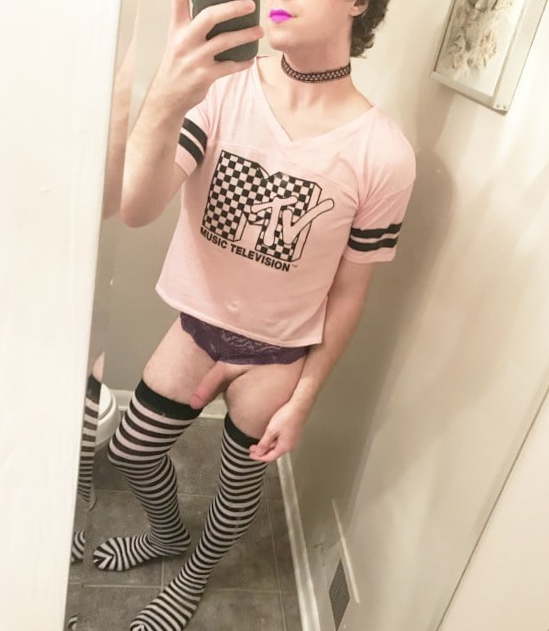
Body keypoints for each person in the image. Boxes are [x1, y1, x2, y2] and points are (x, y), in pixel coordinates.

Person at [92, 0, 416, 629]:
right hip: (197, 328)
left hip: (278, 356)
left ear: (358, 4)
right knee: (131, 449)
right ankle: (166, 534)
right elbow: (135, 208)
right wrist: (167, 94)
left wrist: (305, 399)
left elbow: (349, 293)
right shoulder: (221, 90)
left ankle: (194, 574)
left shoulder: (384, 153)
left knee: (237, 490)